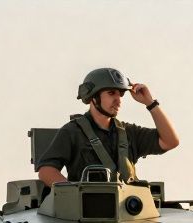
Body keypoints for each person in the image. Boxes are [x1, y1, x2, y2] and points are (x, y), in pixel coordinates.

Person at [35, 68, 179, 185]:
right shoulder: (72, 132)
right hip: (87, 215)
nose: (118, 100)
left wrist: (150, 103)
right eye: (111, 93)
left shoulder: (129, 133)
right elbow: (46, 170)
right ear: (93, 97)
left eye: (120, 94)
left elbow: (170, 141)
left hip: (125, 214)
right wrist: (73, 194)